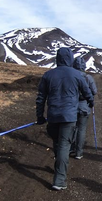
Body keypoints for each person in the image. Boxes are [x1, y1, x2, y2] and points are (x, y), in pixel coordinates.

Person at [36, 47, 94, 191]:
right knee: (63, 145)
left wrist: (40, 116)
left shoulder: (48, 75)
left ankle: (59, 169)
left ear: (57, 58)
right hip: (69, 116)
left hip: (53, 116)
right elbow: (87, 92)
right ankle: (59, 179)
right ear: (70, 59)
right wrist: (90, 102)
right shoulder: (76, 74)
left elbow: (40, 98)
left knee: (57, 143)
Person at [70, 56, 98, 159]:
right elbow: (94, 91)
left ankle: (70, 148)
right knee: (81, 129)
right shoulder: (88, 77)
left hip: (71, 106)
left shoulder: (71, 76)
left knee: (71, 128)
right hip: (84, 106)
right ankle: (79, 153)